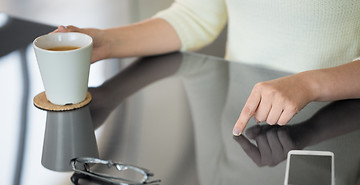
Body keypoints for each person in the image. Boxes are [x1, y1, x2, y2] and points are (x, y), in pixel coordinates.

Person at [54, 0, 360, 136]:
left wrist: (311, 85)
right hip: (249, 121)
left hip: (339, 121)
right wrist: (108, 42)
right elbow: (196, 15)